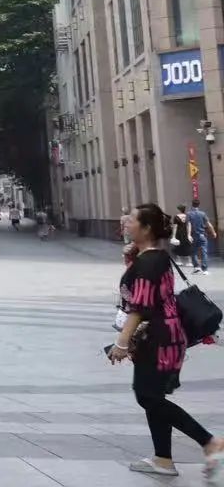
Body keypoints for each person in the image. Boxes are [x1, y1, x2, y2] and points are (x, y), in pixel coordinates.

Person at [109, 202, 224, 478]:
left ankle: (209, 442)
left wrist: (122, 343)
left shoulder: (149, 262)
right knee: (152, 396)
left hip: (159, 338)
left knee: (148, 396)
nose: (126, 222)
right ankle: (163, 459)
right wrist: (132, 257)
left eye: (132, 220)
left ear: (147, 228)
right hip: (162, 335)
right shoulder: (151, 257)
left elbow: (140, 307)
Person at [192, 201, 216, 273]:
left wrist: (188, 235)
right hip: (202, 235)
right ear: (199, 205)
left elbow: (188, 225)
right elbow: (209, 224)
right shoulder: (203, 214)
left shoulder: (189, 214)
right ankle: (205, 269)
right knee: (204, 252)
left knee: (194, 252)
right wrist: (213, 232)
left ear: (192, 205)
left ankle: (196, 267)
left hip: (193, 235)